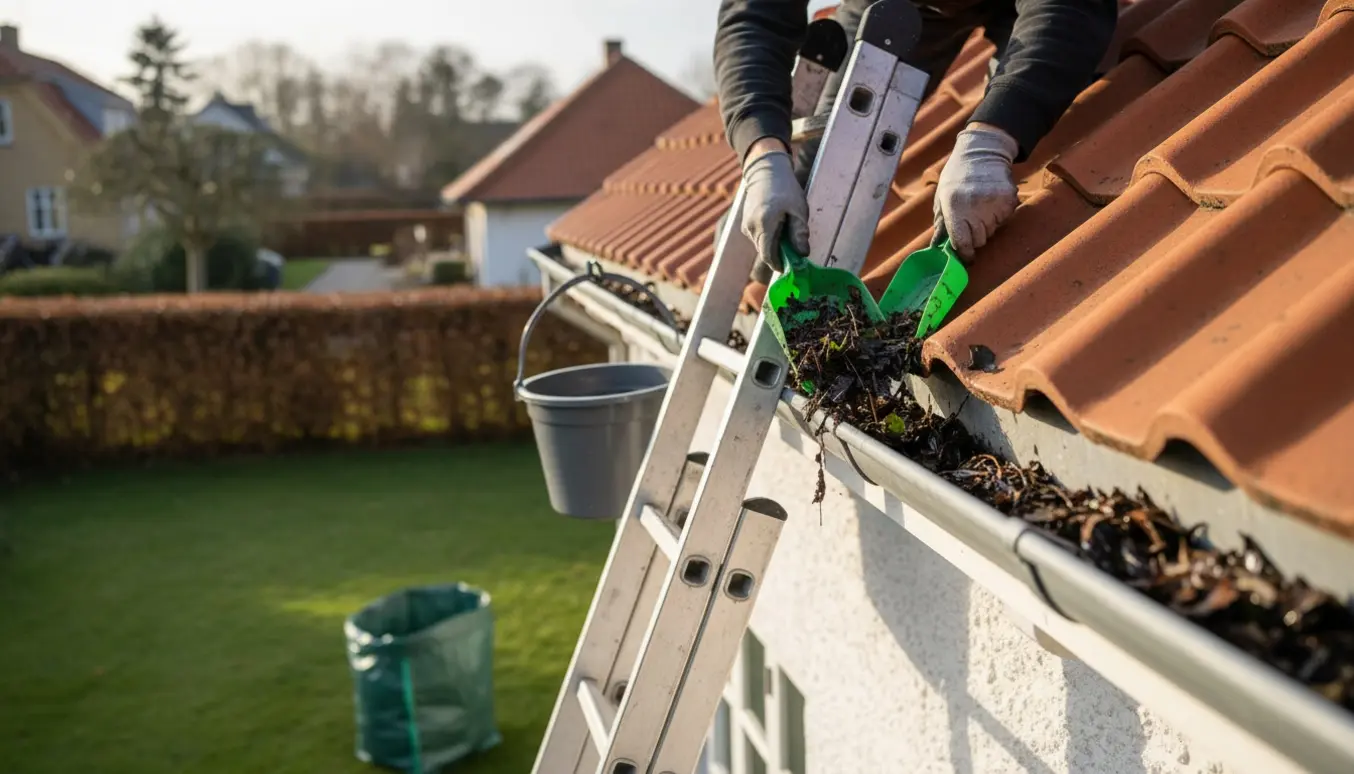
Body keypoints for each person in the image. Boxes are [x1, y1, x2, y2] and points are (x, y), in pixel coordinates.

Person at [714, 0, 1118, 281]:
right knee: (816, 176)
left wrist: (993, 136)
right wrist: (761, 154)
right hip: (892, 8)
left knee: (1059, 100)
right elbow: (753, 21)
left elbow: (1069, 8)